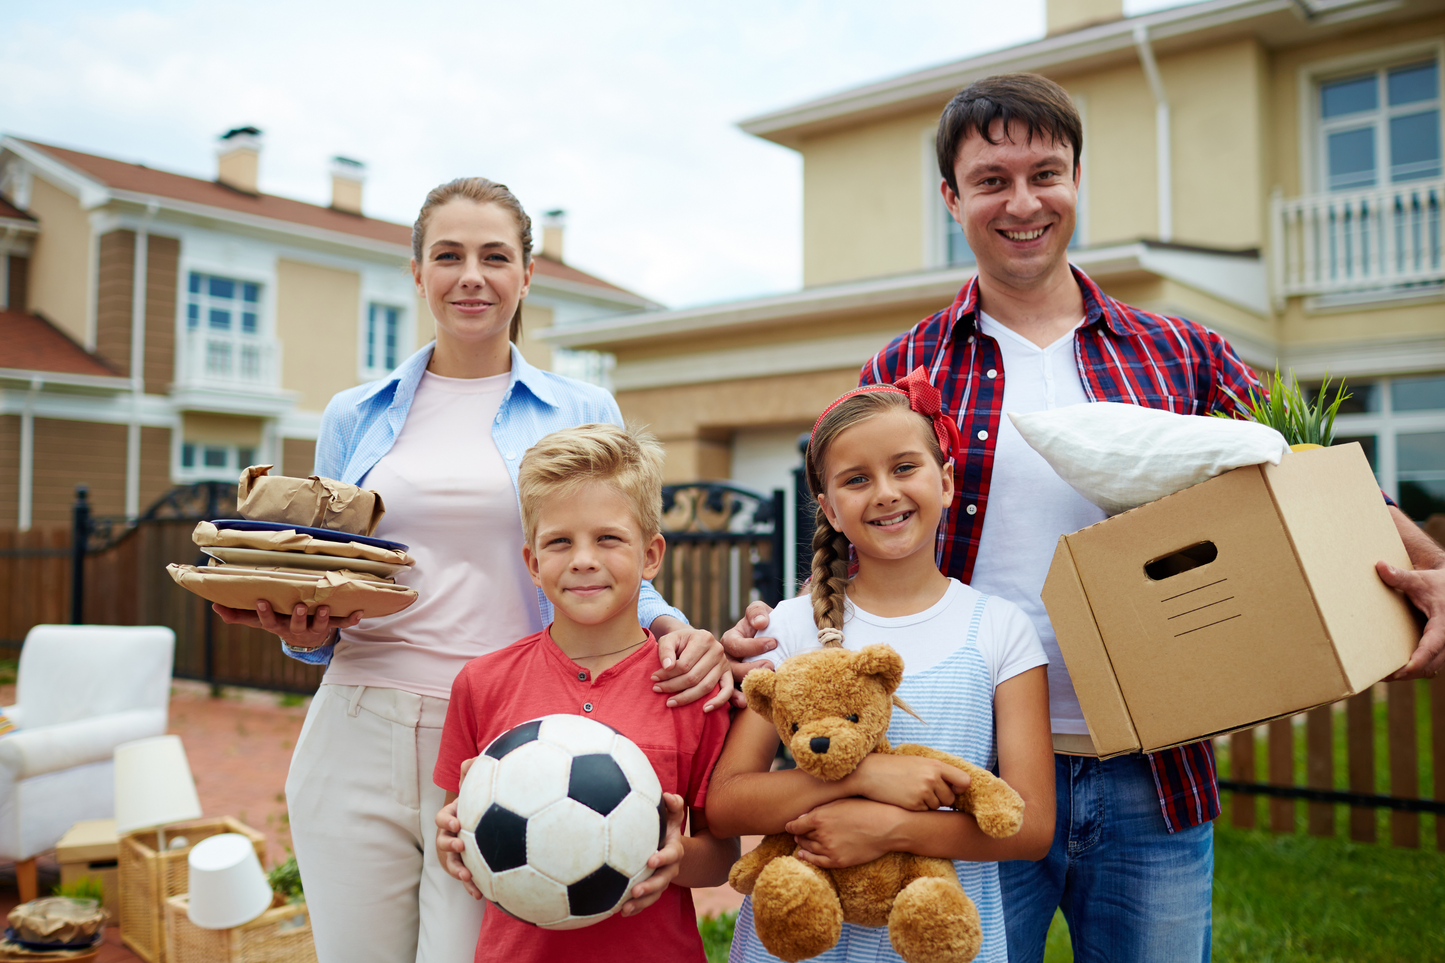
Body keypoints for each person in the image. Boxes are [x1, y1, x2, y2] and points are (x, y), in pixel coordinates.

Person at [722, 73, 1445, 963]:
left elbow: (1311, 479)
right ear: (952, 198)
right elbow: (863, 530)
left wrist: (1427, 568)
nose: (1022, 201)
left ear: (1075, 180)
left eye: (1045, 173)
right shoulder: (907, 362)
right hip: (959, 766)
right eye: (990, 180)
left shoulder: (1180, 350)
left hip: (1152, 766)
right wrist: (789, 631)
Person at [213, 178, 730, 963]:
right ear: (416, 273)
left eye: (494, 256)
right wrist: (303, 631)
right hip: (355, 718)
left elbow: (608, 546)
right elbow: (324, 568)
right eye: (447, 255)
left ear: (527, 274)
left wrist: (673, 628)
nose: (471, 276)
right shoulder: (355, 412)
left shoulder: (582, 404)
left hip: (510, 738)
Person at [706, 374, 1054, 963]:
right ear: (830, 509)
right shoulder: (792, 629)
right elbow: (726, 804)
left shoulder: (1000, 628)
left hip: (939, 936)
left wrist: (891, 830)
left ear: (945, 482)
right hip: (801, 941)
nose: (885, 492)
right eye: (857, 479)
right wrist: (860, 778)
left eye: (904, 468)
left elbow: (1031, 827)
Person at [432, 423, 738, 963]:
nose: (583, 559)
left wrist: (674, 856)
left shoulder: (692, 687)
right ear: (532, 562)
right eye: (559, 542)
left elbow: (720, 856)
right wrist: (454, 843)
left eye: (608, 538)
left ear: (650, 555)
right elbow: (461, 826)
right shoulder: (482, 684)